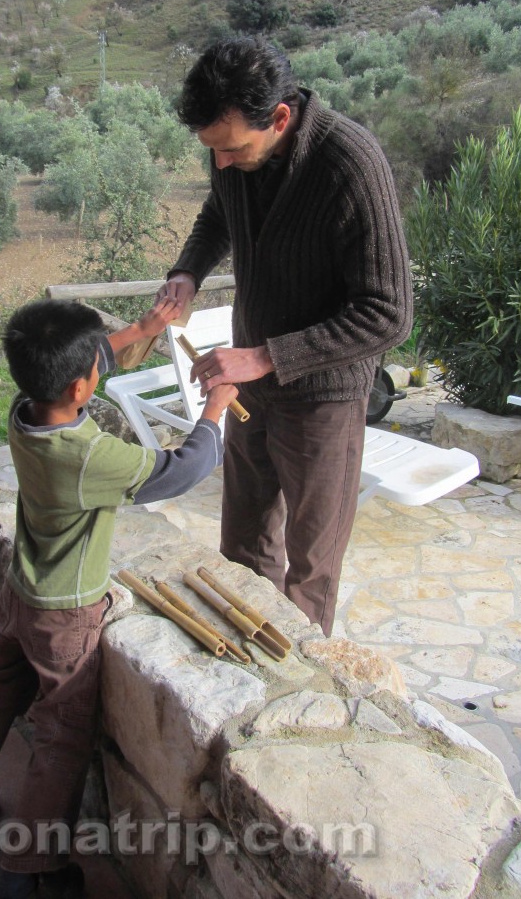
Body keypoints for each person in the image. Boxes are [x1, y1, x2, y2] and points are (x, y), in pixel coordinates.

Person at [0, 296, 236, 899]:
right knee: (62, 736)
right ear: (84, 384)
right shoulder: (90, 456)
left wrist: (145, 329)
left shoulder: (24, 410)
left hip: (20, 592)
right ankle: (29, 870)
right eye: (97, 364)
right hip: (65, 615)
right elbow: (181, 470)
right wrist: (213, 411)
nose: (100, 364)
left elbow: (75, 365)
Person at [157, 36, 412, 638]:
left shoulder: (349, 163)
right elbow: (219, 212)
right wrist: (187, 271)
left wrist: (267, 356)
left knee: (311, 565)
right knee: (242, 542)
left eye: (232, 148)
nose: (221, 162)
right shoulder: (231, 153)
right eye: (211, 151)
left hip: (322, 395)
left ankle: (294, 685)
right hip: (251, 388)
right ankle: (242, 657)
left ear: (279, 117)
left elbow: (390, 313)